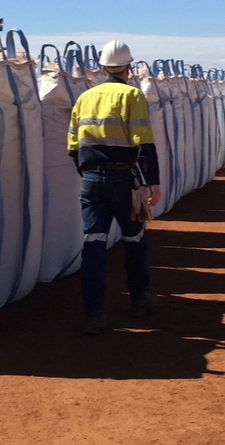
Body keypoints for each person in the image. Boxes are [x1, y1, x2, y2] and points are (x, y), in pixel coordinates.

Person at [68, 39, 162, 335]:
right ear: (128, 67)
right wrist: (152, 183)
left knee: (93, 246)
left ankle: (93, 315)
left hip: (92, 181)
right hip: (125, 181)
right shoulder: (132, 96)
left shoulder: (85, 97)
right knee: (134, 240)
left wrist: (88, 173)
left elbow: (73, 144)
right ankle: (139, 300)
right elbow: (143, 142)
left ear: (102, 67)